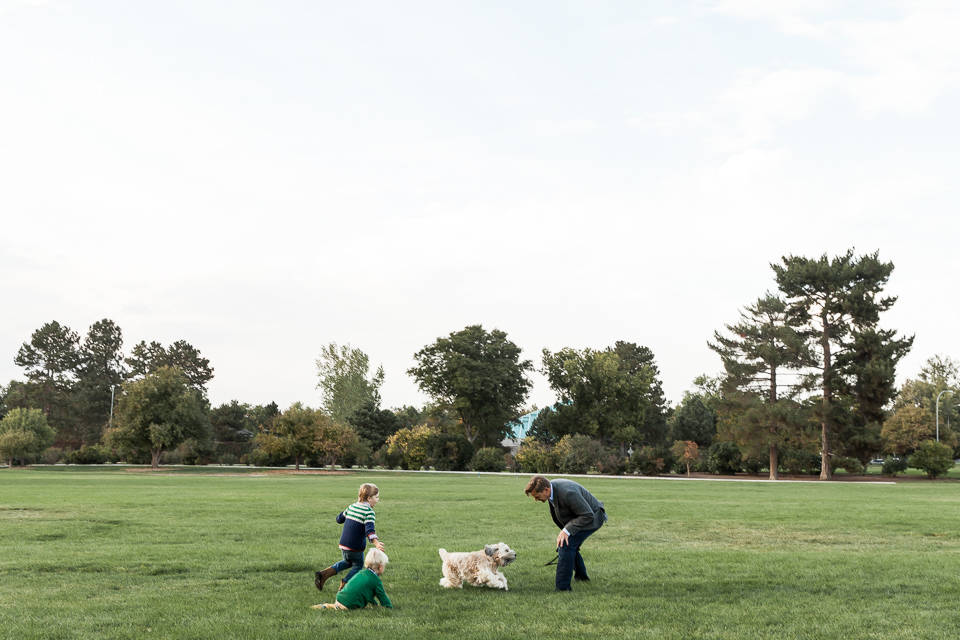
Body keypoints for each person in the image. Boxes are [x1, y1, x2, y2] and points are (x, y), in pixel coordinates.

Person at [524, 475, 606, 592]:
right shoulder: (551, 489)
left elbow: (587, 515)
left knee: (565, 545)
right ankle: (582, 578)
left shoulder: (567, 493)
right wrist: (565, 531)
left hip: (592, 518)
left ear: (546, 490)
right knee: (569, 543)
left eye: (537, 496)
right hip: (580, 517)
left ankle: (563, 588)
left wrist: (566, 530)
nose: (536, 499)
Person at [315, 483, 385, 592]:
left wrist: (350, 510)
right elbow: (369, 530)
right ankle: (344, 587)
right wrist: (376, 543)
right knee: (358, 565)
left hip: (343, 544)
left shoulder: (352, 506)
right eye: (376, 497)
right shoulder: (369, 512)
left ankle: (324, 574)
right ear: (368, 498)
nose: (378, 500)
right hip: (355, 546)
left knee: (347, 562)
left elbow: (339, 519)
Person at [311, 548, 393, 611]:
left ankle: (326, 606)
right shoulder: (376, 581)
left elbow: (367, 594)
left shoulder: (361, 573)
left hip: (339, 598)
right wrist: (389, 607)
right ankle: (335, 607)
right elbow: (382, 597)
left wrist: (375, 605)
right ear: (380, 567)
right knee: (364, 608)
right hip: (349, 606)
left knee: (336, 606)